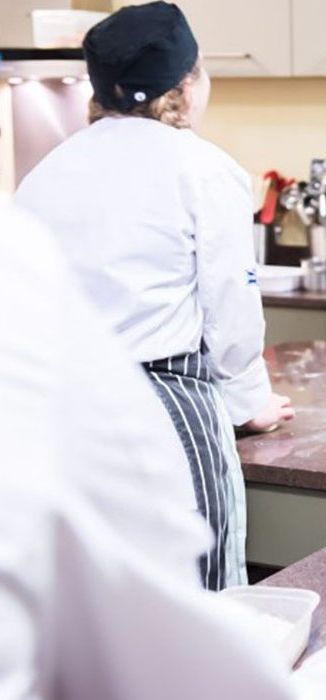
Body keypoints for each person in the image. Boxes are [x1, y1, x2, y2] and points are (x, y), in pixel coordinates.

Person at [15, 1, 294, 591]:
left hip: (63, 415)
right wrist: (249, 403)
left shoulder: (44, 174)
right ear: (186, 86)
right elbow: (232, 312)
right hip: (167, 412)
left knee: (97, 597)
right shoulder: (205, 169)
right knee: (201, 592)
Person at [0, 201, 298, 700]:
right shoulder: (17, 261)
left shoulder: (43, 181)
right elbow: (146, 560)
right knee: (205, 578)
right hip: (172, 392)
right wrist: (248, 399)